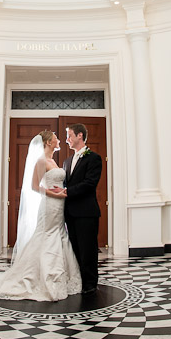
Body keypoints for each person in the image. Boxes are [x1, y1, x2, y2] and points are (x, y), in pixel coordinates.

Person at [0, 130, 81, 301]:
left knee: (59, 234)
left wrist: (63, 194)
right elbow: (35, 186)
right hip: (50, 204)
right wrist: (56, 195)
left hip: (60, 205)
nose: (59, 140)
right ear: (48, 142)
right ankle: (43, 276)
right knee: (47, 235)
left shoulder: (53, 161)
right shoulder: (41, 161)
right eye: (56, 138)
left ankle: (63, 276)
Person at [57, 123, 102, 295]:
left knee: (88, 249)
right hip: (70, 213)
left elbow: (90, 184)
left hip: (86, 212)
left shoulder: (94, 158)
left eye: (69, 135)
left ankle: (90, 284)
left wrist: (67, 192)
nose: (67, 139)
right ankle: (79, 281)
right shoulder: (67, 161)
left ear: (80, 136)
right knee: (75, 248)